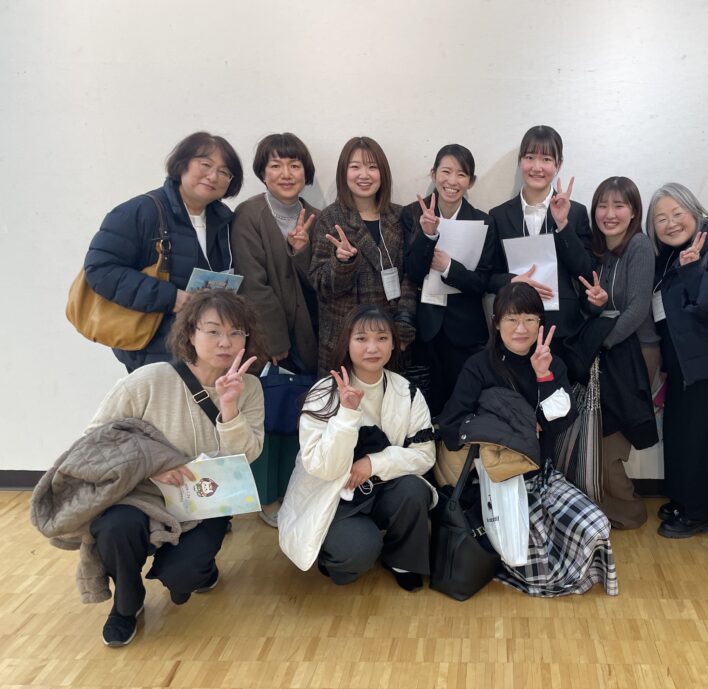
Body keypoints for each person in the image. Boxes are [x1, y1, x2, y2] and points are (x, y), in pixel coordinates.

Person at [68, 290, 264, 647]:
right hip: (140, 494)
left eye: (236, 332)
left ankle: (200, 570)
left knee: (185, 577)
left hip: (203, 501)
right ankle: (126, 603)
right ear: (190, 333)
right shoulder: (150, 379)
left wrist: (230, 408)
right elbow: (94, 439)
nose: (225, 342)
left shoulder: (248, 387)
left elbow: (246, 456)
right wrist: (150, 465)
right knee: (114, 528)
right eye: (213, 331)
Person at [438, 283, 618, 597]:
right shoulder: (478, 366)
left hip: (541, 475)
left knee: (596, 526)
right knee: (537, 567)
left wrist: (543, 375)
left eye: (529, 320)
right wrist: (513, 427)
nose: (521, 329)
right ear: (496, 323)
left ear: (540, 323)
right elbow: (452, 428)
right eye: (512, 319)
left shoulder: (552, 364)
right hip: (498, 483)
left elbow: (562, 421)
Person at [277, 305, 436, 591]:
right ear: (346, 343)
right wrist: (347, 414)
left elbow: (425, 455)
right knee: (356, 552)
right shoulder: (324, 392)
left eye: (382, 338)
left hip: (381, 487)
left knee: (414, 490)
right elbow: (321, 467)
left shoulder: (408, 391)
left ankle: (401, 560)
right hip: (333, 495)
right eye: (361, 339)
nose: (372, 348)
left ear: (393, 344)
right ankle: (336, 553)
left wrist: (373, 463)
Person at [84, 131, 245, 372]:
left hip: (206, 352)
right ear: (182, 164)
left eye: (224, 172)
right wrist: (171, 297)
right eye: (205, 165)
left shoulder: (224, 221)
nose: (213, 176)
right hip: (154, 348)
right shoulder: (141, 211)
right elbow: (100, 270)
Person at [646, 183, 708, 539]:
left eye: (678, 214)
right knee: (683, 438)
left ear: (696, 213)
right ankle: (685, 500)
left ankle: (700, 512)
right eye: (661, 219)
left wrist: (693, 273)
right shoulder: (668, 260)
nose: (671, 223)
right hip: (684, 369)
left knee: (706, 444)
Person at [231, 133, 320, 526]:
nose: (286, 173)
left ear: (305, 172)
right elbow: (252, 283)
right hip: (267, 341)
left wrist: (301, 252)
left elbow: (319, 281)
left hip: (311, 337)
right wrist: (273, 342)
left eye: (294, 165)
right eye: (276, 165)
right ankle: (266, 499)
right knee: (266, 417)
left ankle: (293, 492)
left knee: (299, 417)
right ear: (263, 172)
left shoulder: (316, 215)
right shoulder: (249, 214)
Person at [576, 176, 657, 528]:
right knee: (595, 439)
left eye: (619, 205)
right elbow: (599, 308)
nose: (609, 214)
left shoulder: (639, 245)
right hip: (608, 355)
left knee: (611, 445)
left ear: (634, 211)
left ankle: (630, 513)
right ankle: (605, 512)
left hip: (635, 355)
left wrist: (598, 343)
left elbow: (637, 310)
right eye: (603, 205)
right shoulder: (599, 252)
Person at [308, 137, 417, 377]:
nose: (364, 175)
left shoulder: (400, 216)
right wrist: (342, 263)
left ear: (383, 173)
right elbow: (320, 284)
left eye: (372, 167)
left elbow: (411, 276)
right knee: (343, 399)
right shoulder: (330, 218)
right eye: (355, 167)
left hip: (389, 338)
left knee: (388, 397)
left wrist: (403, 328)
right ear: (344, 173)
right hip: (343, 338)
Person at [400, 144, 497, 413]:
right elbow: (412, 272)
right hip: (425, 330)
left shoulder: (483, 222)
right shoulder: (412, 214)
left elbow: (482, 283)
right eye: (446, 172)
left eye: (461, 174)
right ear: (433, 174)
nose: (452, 181)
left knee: (463, 408)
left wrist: (449, 267)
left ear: (471, 181)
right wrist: (428, 235)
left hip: (465, 332)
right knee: (424, 410)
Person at [487, 126, 595, 349]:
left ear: (558, 164)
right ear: (520, 162)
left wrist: (563, 225)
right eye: (529, 157)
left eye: (546, 159)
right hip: (514, 327)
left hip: (563, 327)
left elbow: (586, 271)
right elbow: (489, 277)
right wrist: (512, 281)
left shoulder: (575, 212)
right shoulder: (499, 215)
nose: (537, 167)